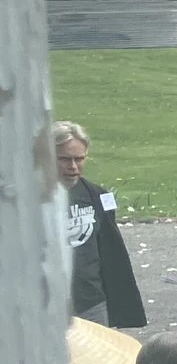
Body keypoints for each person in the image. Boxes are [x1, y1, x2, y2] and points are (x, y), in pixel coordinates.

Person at [55, 121, 145, 325]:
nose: (73, 167)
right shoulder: (26, 201)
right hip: (45, 304)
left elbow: (110, 249)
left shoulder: (97, 196)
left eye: (79, 159)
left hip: (91, 305)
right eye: (65, 159)